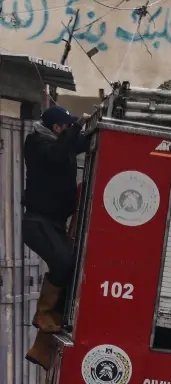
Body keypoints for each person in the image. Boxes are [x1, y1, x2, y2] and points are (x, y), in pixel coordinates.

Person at [23, 105, 91, 369]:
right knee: (62, 264)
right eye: (66, 126)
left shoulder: (60, 142)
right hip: (38, 222)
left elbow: (79, 145)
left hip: (54, 224)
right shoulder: (38, 144)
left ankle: (42, 346)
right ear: (57, 128)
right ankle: (43, 314)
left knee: (72, 268)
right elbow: (57, 154)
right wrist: (75, 130)